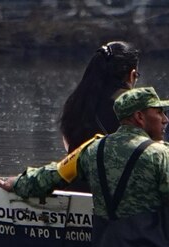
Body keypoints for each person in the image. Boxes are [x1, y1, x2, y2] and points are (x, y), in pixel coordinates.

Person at [0, 87, 169, 247]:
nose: (166, 119)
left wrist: (17, 183)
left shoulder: (92, 149)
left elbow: (53, 175)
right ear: (139, 117)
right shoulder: (161, 154)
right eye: (159, 112)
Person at [59, 41, 140, 192]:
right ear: (132, 75)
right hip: (111, 193)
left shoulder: (76, 101)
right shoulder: (131, 107)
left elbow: (69, 144)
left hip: (74, 186)